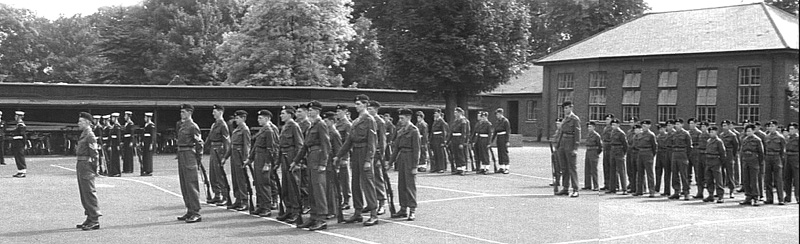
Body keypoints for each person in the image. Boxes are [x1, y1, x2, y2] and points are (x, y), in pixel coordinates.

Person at [333, 94, 379, 226]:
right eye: (356, 104)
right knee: (355, 184)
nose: (356, 106)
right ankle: (358, 212)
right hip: (356, 152)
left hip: (365, 152)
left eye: (359, 104)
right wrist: (339, 155)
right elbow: (349, 141)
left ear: (365, 105)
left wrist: (368, 159)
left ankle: (374, 214)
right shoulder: (355, 121)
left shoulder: (370, 120)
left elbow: (372, 141)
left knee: (368, 184)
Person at [293, 101, 331, 230]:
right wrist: (295, 161)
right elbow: (304, 146)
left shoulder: (321, 124)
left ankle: (321, 219)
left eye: (312, 110)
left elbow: (326, 145)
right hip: (310, 158)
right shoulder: (312, 125)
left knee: (319, 190)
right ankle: (313, 217)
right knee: (312, 190)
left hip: (318, 157)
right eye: (309, 110)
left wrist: (323, 163)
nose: (310, 112)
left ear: (318, 111)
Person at [389, 108, 420, 221]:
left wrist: (415, 166)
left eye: (402, 118)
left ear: (408, 118)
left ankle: (412, 209)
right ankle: (403, 209)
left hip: (410, 158)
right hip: (402, 158)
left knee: (410, 186)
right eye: (400, 118)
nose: (400, 120)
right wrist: (390, 162)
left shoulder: (414, 130)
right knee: (401, 185)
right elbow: (396, 148)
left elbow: (417, 150)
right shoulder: (401, 131)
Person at [276, 106, 305, 223]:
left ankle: (296, 211)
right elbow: (280, 146)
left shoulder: (294, 126)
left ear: (290, 114)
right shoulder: (285, 127)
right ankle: (288, 209)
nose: (281, 115)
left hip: (292, 157)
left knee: (293, 186)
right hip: (284, 157)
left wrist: (297, 162)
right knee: (286, 185)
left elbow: (299, 144)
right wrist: (277, 162)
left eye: (283, 113)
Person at [175, 104, 204, 223]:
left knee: (191, 183)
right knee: (184, 183)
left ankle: (196, 212)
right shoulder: (182, 125)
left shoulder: (193, 126)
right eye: (181, 112)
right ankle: (189, 210)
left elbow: (199, 143)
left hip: (189, 154)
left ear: (189, 113)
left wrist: (198, 159)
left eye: (183, 112)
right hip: (182, 153)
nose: (181, 114)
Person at [249, 110, 281, 217]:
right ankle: (261, 206)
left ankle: (266, 207)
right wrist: (250, 158)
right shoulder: (263, 130)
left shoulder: (269, 131)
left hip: (264, 158)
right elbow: (256, 146)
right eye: (258, 118)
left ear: (267, 119)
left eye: (261, 118)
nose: (258, 120)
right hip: (258, 157)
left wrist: (268, 163)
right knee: (258, 183)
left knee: (264, 183)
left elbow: (271, 148)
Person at [74, 112, 101, 230]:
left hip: (87, 165)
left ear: (87, 122)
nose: (78, 123)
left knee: (89, 192)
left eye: (80, 121)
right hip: (81, 164)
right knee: (83, 192)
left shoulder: (90, 135)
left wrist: (95, 168)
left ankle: (94, 219)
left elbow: (95, 153)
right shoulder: (84, 134)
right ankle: (89, 217)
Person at [224, 110, 251, 211]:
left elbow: (247, 145)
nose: (236, 120)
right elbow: (231, 145)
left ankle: (244, 200)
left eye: (238, 118)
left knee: (241, 179)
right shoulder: (236, 129)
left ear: (243, 118)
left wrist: (245, 159)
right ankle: (238, 199)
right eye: (235, 118)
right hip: (234, 156)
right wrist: (225, 157)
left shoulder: (245, 129)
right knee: (235, 179)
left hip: (240, 157)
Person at [206, 105, 230, 205]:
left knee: (219, 174)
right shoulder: (214, 124)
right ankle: (217, 195)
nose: (213, 113)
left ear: (220, 112)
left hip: (219, 150)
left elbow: (227, 142)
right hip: (213, 149)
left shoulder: (223, 125)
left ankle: (225, 196)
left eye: (215, 112)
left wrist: (225, 156)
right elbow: (209, 137)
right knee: (213, 174)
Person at [367, 100, 389, 214]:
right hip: (369, 153)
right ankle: (371, 203)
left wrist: (382, 156)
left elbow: (383, 140)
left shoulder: (379, 122)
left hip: (377, 154)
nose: (369, 111)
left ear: (376, 110)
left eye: (371, 109)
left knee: (378, 178)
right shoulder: (368, 120)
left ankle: (381, 203)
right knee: (368, 179)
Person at [556, 101, 581, 197]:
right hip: (563, 143)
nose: (565, 110)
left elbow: (578, 134)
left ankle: (575, 189)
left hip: (570, 143)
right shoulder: (565, 119)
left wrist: (575, 148)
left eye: (567, 108)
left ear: (571, 108)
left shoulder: (575, 119)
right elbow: (561, 132)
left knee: (572, 167)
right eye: (564, 108)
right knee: (564, 167)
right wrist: (558, 145)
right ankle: (565, 188)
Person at [322, 111, 344, 220]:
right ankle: (328, 209)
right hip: (326, 163)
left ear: (331, 121)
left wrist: (337, 166)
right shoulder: (327, 132)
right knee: (326, 187)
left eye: (326, 121)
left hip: (331, 163)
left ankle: (332, 210)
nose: (324, 123)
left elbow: (338, 150)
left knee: (331, 188)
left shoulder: (334, 133)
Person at [739, 124, 764, 206]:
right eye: (747, 131)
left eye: (749, 131)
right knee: (746, 180)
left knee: (754, 180)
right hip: (746, 161)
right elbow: (742, 150)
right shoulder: (744, 139)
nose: (748, 133)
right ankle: (748, 197)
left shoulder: (757, 140)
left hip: (754, 161)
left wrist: (760, 163)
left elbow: (761, 153)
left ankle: (756, 197)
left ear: (753, 131)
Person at [763, 120, 786, 205]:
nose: (771, 128)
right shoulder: (766, 137)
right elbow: (765, 149)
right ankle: (769, 198)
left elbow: (783, 150)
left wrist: (781, 160)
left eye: (773, 126)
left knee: (778, 179)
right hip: (768, 157)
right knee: (768, 179)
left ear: (776, 127)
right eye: (770, 126)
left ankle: (780, 199)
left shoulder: (780, 137)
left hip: (777, 157)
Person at [669, 119, 693, 201]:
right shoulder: (674, 134)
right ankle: (676, 191)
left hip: (682, 154)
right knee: (674, 174)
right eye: (676, 124)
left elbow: (690, 147)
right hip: (675, 154)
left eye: (678, 124)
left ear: (682, 125)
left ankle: (686, 192)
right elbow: (671, 144)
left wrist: (686, 156)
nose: (677, 126)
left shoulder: (686, 134)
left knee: (684, 174)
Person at [334, 105, 353, 210]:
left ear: (345, 112)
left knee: (344, 179)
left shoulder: (347, 125)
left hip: (343, 155)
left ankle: (346, 200)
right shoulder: (336, 124)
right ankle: (338, 198)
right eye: (337, 111)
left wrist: (345, 157)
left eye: (340, 111)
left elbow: (348, 142)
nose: (338, 113)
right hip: (336, 155)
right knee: (337, 179)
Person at [634, 121, 658, 197]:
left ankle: (651, 191)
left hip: (648, 153)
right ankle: (639, 190)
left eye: (645, 126)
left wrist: (651, 155)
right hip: (640, 152)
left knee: (649, 173)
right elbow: (636, 144)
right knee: (640, 173)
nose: (643, 127)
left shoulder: (651, 135)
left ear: (649, 126)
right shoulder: (639, 134)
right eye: (642, 126)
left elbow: (654, 147)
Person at [703, 126, 726, 203]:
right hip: (708, 160)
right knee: (709, 179)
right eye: (710, 132)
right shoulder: (709, 140)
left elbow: (722, 153)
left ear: (716, 132)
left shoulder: (719, 141)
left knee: (718, 180)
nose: (711, 133)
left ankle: (720, 196)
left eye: (713, 132)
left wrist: (721, 162)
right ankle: (710, 195)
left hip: (715, 161)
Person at [720, 120, 740, 198]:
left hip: (729, 153)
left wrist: (733, 155)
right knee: (721, 173)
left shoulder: (733, 135)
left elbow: (736, 146)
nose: (724, 127)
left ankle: (731, 190)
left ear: (728, 126)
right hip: (722, 154)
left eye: (725, 125)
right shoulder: (721, 135)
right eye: (723, 126)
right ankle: (721, 190)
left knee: (730, 173)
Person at [607, 119, 627, 194]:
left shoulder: (621, 133)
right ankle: (612, 188)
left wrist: (623, 153)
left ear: (618, 125)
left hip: (619, 151)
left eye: (615, 125)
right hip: (613, 150)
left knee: (621, 170)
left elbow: (625, 145)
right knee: (612, 170)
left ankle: (624, 189)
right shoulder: (612, 132)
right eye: (612, 125)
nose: (613, 126)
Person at [692, 121, 711, 199]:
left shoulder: (709, 135)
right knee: (699, 174)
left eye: (704, 127)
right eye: (701, 127)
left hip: (706, 155)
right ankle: (700, 192)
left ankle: (710, 193)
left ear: (707, 127)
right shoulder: (700, 135)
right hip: (699, 154)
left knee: (707, 175)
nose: (702, 128)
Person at [449, 107, 470, 175]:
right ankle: (458, 168)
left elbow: (464, 133)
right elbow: (451, 131)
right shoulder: (455, 121)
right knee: (456, 154)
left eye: (456, 112)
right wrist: (448, 140)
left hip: (459, 139)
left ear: (460, 113)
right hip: (454, 139)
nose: (455, 114)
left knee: (461, 154)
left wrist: (462, 142)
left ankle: (463, 168)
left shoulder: (463, 121)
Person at [583, 121, 602, 191]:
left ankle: (596, 186)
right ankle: (587, 185)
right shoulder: (588, 135)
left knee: (594, 170)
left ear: (594, 127)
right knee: (587, 169)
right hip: (588, 151)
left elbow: (600, 147)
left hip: (593, 152)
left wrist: (596, 154)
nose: (589, 128)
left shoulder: (596, 135)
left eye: (590, 127)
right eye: (588, 127)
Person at [429, 108, 449, 173]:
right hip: (435, 139)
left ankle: (441, 167)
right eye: (434, 113)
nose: (435, 114)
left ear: (439, 113)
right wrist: (431, 140)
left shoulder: (441, 121)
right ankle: (436, 167)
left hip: (439, 138)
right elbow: (432, 131)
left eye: (436, 113)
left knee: (440, 154)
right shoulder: (435, 121)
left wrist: (443, 141)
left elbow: (444, 132)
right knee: (436, 153)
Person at [492, 108, 511, 174]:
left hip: (503, 137)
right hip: (499, 137)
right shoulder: (497, 122)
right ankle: (502, 167)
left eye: (497, 114)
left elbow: (508, 131)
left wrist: (507, 141)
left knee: (504, 152)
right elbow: (495, 131)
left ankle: (507, 167)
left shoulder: (505, 121)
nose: (496, 116)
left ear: (500, 114)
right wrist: (491, 140)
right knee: (499, 152)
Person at [687, 118, 703, 192]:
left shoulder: (699, 133)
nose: (691, 125)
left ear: (696, 124)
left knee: (697, 171)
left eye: (693, 123)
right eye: (690, 123)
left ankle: (699, 190)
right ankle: (686, 188)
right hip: (688, 151)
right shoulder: (687, 132)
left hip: (696, 151)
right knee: (687, 171)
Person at [784, 122, 799, 204]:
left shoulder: (797, 138)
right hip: (788, 157)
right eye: (789, 129)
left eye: (792, 129)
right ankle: (788, 196)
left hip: (796, 157)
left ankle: (798, 196)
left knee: (797, 179)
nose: (790, 130)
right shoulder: (787, 138)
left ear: (796, 129)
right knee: (787, 178)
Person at [600, 114, 615, 191]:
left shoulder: (612, 128)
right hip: (605, 147)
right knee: (605, 166)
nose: (606, 121)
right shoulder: (605, 128)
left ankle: (614, 184)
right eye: (606, 119)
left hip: (610, 147)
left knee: (611, 166)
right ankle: (607, 184)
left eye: (608, 119)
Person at [11, 111, 28, 178]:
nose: (15, 117)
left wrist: (25, 144)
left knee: (20, 157)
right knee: (17, 157)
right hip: (17, 143)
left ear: (19, 117)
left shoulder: (21, 125)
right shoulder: (18, 124)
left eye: (16, 116)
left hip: (20, 143)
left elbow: (23, 135)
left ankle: (23, 171)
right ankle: (20, 171)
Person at [655, 123, 669, 194]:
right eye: (660, 129)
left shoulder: (668, 136)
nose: (661, 130)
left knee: (666, 172)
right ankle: (657, 188)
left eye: (662, 129)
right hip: (659, 154)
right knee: (658, 171)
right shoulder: (658, 136)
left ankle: (666, 190)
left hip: (665, 153)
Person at [625, 117, 638, 194]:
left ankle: (637, 186)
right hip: (629, 151)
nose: (631, 124)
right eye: (630, 122)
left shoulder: (639, 132)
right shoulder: (629, 132)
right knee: (629, 168)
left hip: (635, 151)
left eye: (633, 122)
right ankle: (631, 184)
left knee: (636, 170)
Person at [108, 112, 122, 177]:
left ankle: (117, 172)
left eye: (113, 117)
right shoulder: (114, 126)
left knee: (116, 158)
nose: (112, 119)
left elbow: (118, 136)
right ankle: (114, 171)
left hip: (116, 144)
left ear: (116, 118)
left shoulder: (117, 126)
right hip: (113, 143)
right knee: (113, 158)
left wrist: (118, 145)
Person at [141, 112, 156, 176]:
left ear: (148, 118)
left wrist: (151, 144)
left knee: (148, 157)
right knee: (145, 156)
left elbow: (152, 135)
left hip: (149, 142)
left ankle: (148, 170)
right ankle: (145, 169)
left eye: (145, 117)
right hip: (145, 142)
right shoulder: (146, 125)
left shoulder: (151, 125)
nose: (144, 119)